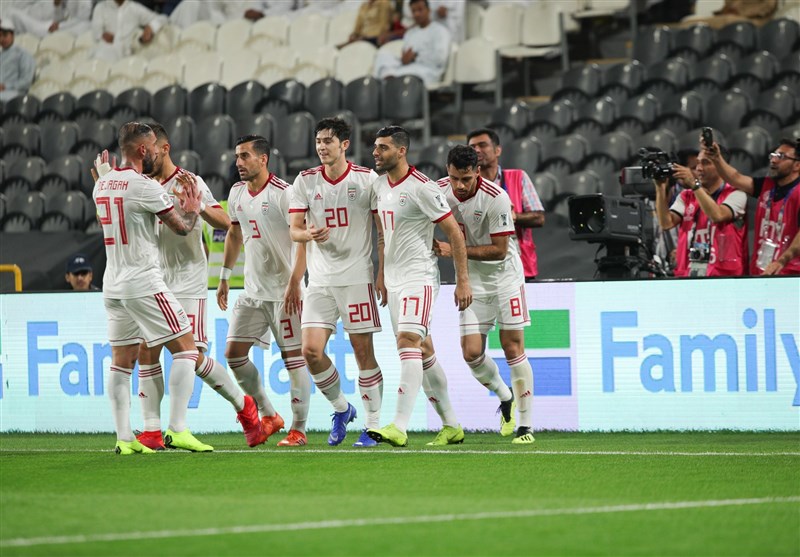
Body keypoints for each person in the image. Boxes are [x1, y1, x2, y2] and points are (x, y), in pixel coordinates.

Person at [130, 123, 267, 450]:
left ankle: (242, 406)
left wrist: (199, 208)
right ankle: (152, 430)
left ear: (164, 149)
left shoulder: (189, 182)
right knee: (147, 349)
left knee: (191, 355)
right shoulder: (140, 184)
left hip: (188, 280)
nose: (142, 157)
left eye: (148, 151)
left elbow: (226, 222)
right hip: (154, 279)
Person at [93, 122, 213, 455]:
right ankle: (178, 429)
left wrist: (104, 179)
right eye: (152, 148)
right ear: (143, 149)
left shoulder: (101, 183)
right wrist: (193, 209)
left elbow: (107, 216)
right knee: (187, 349)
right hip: (143, 281)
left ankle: (124, 438)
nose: (155, 154)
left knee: (121, 362)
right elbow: (181, 228)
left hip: (112, 286)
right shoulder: (144, 186)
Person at [367, 126, 472, 448]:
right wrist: (381, 273)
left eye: (383, 147)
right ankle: (452, 425)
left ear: (401, 151)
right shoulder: (378, 186)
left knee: (408, 341)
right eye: (375, 146)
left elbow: (454, 233)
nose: (376, 152)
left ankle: (399, 426)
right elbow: (383, 234)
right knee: (422, 351)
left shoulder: (423, 187)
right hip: (394, 280)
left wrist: (462, 280)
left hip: (419, 277)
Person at [289, 117, 385, 448]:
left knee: (363, 351)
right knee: (310, 351)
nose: (321, 146)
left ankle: (373, 426)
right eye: (318, 141)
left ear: (344, 144)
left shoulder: (366, 179)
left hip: (357, 277)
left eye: (328, 140)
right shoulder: (305, 180)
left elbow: (382, 231)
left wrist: (382, 274)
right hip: (319, 281)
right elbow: (294, 230)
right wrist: (308, 233)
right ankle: (342, 408)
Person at [433, 145, 535, 444]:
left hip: (505, 279)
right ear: (448, 172)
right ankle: (505, 397)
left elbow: (500, 250)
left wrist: (454, 250)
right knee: (471, 353)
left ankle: (526, 427)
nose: (460, 185)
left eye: (466, 179)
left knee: (512, 347)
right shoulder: (438, 191)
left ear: (477, 172)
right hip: (471, 280)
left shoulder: (496, 197)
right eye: (454, 178)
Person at [217, 135, 311, 447]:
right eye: (237, 156)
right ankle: (269, 414)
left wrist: (295, 282)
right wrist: (225, 277)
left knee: (293, 359)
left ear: (263, 159)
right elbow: (234, 234)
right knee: (233, 355)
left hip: (285, 293)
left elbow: (302, 240)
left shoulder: (284, 193)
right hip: (253, 292)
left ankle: (299, 429)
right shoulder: (236, 193)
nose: (238, 162)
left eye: (245, 156)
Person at [705, 137, 800, 275]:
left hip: (791, 274)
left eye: (781, 156)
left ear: (797, 165)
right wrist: (717, 158)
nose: (773, 160)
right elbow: (735, 178)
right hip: (760, 272)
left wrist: (782, 261)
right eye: (773, 155)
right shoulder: (766, 185)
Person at [654, 143, 749, 277]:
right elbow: (666, 223)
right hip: (688, 275)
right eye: (698, 163)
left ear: (721, 166)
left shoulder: (737, 194)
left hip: (724, 277)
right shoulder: (686, 196)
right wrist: (660, 188)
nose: (699, 168)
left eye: (705, 163)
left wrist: (694, 184)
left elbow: (717, 215)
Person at [467, 128, 545, 282]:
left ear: (497, 150)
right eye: (472, 147)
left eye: (482, 145)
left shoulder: (518, 177)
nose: (477, 150)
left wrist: (514, 217)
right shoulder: (466, 185)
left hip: (521, 265)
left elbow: (539, 218)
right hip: (481, 267)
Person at [373, 0, 450, 86]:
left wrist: (415, 57)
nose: (416, 14)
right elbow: (406, 56)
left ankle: (388, 81)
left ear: (429, 10)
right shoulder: (410, 33)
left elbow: (440, 59)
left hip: (427, 70)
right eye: (413, 11)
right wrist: (404, 59)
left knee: (398, 75)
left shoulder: (440, 31)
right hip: (408, 67)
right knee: (382, 55)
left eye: (420, 10)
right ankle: (388, 80)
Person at [91, 0, 164, 62]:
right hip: (104, 52)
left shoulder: (134, 8)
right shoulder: (101, 8)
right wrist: (103, 36)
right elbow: (97, 35)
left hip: (127, 57)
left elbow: (163, 18)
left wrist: (150, 27)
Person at [3, 0, 93, 38]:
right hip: (46, 26)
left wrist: (59, 26)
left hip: (67, 27)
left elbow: (83, 19)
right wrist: (57, 5)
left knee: (85, 26)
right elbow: (58, 18)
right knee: (11, 12)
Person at [0, 18, 36, 102]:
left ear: (12, 35)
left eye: (5, 35)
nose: (2, 39)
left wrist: (6, 86)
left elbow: (26, 81)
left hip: (15, 95)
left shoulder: (22, 54)